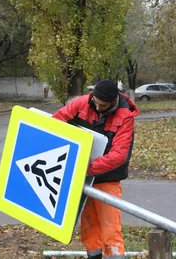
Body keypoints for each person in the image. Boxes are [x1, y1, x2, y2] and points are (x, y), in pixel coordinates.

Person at [52, 79, 139, 259]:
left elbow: (119, 155)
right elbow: (55, 123)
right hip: (83, 179)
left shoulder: (125, 117)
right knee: (89, 228)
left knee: (111, 229)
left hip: (107, 179)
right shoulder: (81, 103)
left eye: (103, 105)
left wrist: (87, 169)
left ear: (113, 101)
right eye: (96, 103)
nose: (98, 108)